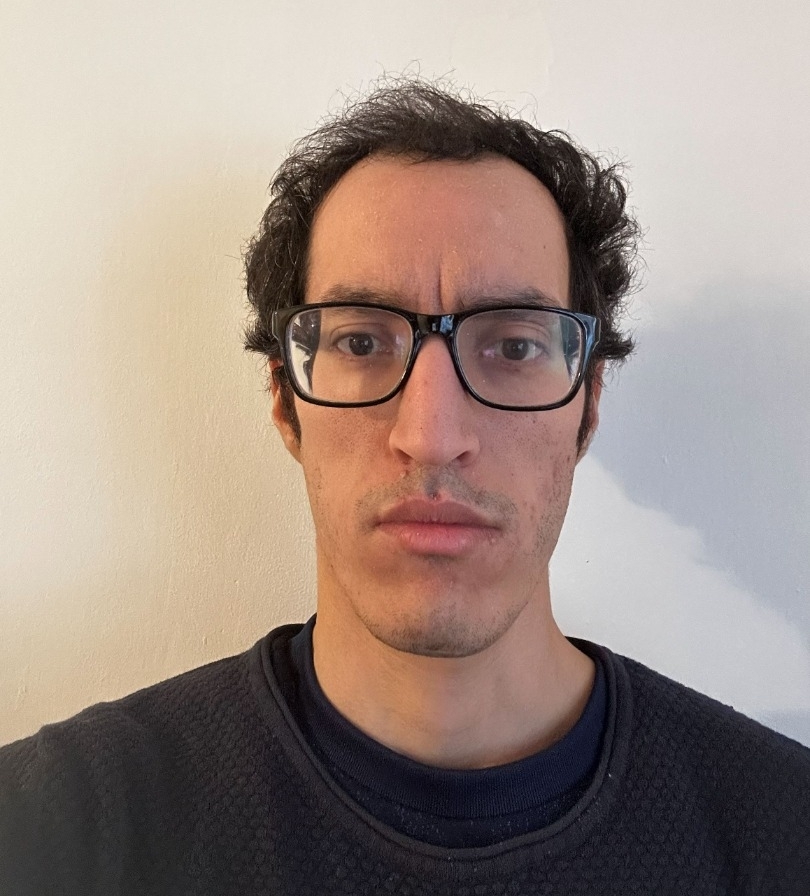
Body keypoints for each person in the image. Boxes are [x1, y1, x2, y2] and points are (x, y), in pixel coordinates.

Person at [1, 80, 808, 894]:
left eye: (514, 348)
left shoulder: (782, 830)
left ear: (588, 405)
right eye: (361, 341)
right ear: (284, 401)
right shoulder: (54, 828)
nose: (431, 435)